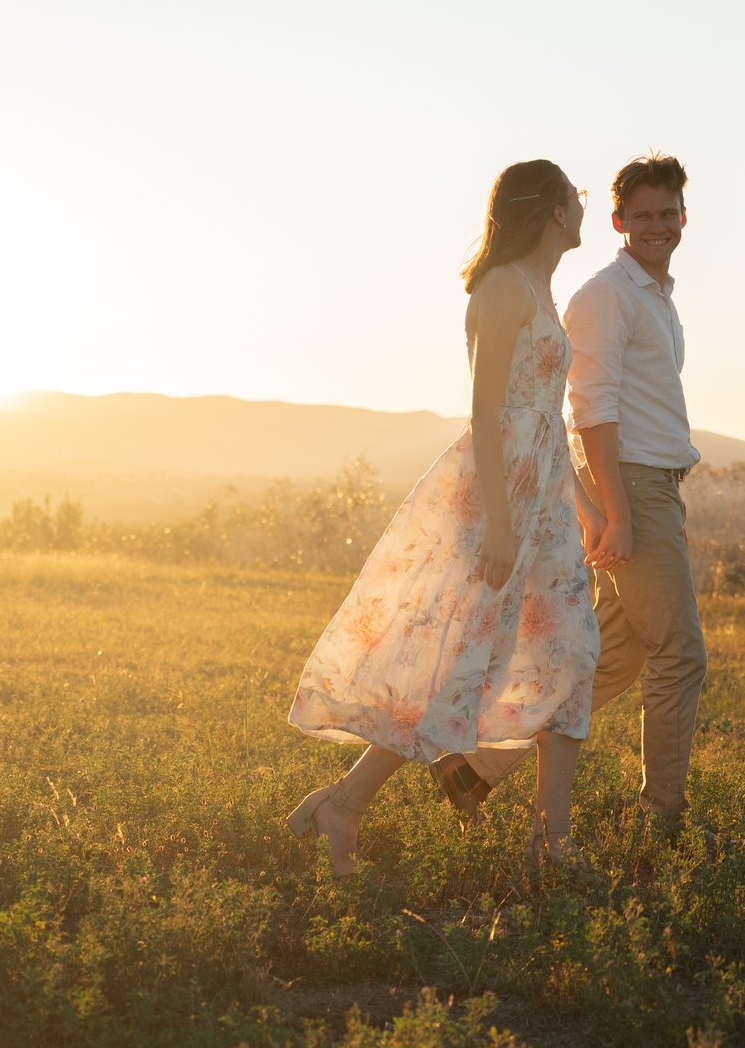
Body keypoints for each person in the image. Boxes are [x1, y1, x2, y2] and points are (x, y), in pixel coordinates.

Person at [284, 160, 605, 877]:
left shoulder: (541, 291)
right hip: (496, 498)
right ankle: (346, 803)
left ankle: (552, 843)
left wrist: (581, 507)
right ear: (554, 211)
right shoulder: (502, 289)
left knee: (572, 654)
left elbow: (549, 421)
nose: (579, 209)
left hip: (541, 504)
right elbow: (485, 413)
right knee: (452, 667)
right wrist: (498, 520)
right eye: (575, 198)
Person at [451, 153, 705, 839]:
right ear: (619, 221)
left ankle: (475, 768)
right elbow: (589, 409)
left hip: (652, 483)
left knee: (614, 653)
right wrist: (614, 511)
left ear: (685, 216)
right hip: (631, 485)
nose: (657, 225)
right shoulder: (605, 296)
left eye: (668, 213)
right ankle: (664, 822)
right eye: (642, 215)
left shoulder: (653, 294)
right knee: (681, 653)